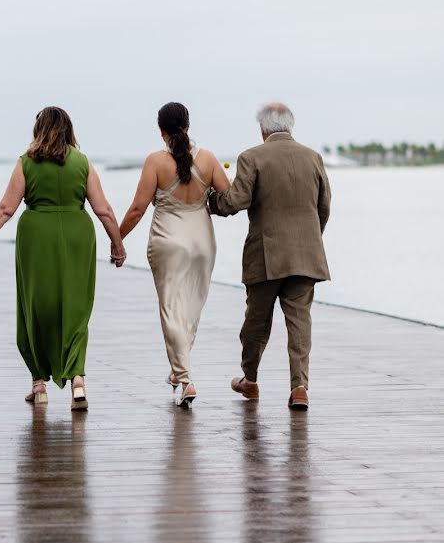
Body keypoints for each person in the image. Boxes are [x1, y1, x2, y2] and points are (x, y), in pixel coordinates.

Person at [0, 107, 126, 411]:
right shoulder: (83, 163)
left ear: (38, 129)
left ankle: (39, 384)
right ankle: (77, 381)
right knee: (76, 307)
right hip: (77, 234)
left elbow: (5, 209)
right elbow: (103, 209)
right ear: (69, 129)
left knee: (34, 306)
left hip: (36, 236)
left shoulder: (26, 163)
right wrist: (117, 245)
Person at [209, 102, 331, 410]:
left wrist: (210, 201)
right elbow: (324, 205)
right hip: (306, 256)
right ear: (290, 125)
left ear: (262, 130)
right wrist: (311, 239)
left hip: (266, 256)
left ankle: (249, 380)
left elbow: (236, 201)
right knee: (300, 325)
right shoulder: (313, 157)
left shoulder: (252, 157)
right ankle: (300, 387)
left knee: (256, 322)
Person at [118, 102, 231, 408]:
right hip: (203, 242)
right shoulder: (207, 158)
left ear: (161, 131)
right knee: (190, 311)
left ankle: (185, 379)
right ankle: (178, 371)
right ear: (188, 127)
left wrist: (117, 239)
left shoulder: (155, 161)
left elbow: (138, 209)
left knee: (171, 309)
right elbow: (229, 196)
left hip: (168, 240)